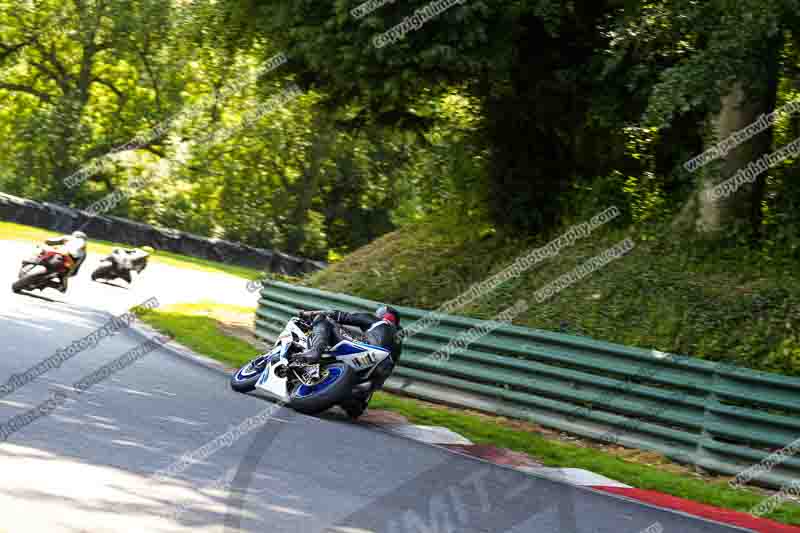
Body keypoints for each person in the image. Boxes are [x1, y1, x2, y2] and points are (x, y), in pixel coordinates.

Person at [295, 305, 402, 416]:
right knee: (357, 402)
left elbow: (340, 315)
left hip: (367, 349)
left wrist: (308, 314)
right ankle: (357, 400)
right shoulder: (398, 342)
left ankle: (315, 351)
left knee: (324, 319)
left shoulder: (377, 321)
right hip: (377, 373)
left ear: (381, 315)